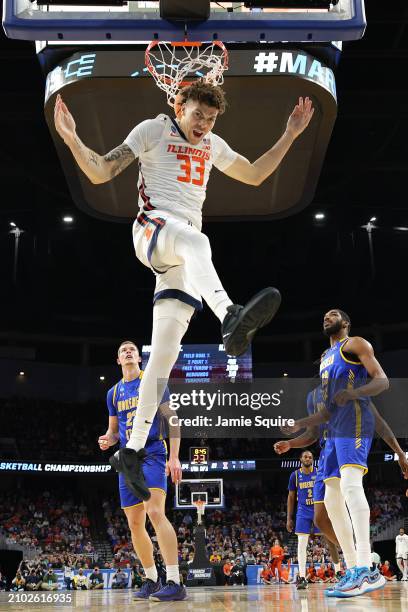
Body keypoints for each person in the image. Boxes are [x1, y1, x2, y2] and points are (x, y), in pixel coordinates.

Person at [54, 82, 314, 500]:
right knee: (198, 242)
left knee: (163, 357)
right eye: (197, 116)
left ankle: (132, 449)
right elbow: (101, 170)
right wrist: (71, 137)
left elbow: (255, 174)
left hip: (178, 259)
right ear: (178, 105)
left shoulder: (213, 143)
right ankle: (230, 315)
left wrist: (290, 134)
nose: (203, 125)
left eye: (211, 119)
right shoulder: (152, 130)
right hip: (153, 230)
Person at [282, 309, 391, 598]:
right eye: (324, 316)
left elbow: (382, 381)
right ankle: (354, 568)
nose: (326, 317)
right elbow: (326, 412)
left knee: (351, 485)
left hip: (354, 419)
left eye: (333, 315)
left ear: (346, 322)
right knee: (330, 502)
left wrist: (356, 393)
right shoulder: (324, 360)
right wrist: (298, 428)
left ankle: (368, 568)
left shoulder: (354, 344)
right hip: (332, 432)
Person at [275, 383, 408, 585]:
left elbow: (378, 421)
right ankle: (358, 562)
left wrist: (399, 452)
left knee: (350, 488)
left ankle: (361, 564)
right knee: (320, 519)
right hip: (326, 451)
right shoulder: (313, 396)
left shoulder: (349, 388)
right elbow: (312, 434)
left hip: (346, 442)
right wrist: (291, 443)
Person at [98, 340, 186, 602]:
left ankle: (175, 581)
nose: (127, 352)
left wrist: (174, 457)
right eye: (123, 351)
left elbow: (173, 420)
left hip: (153, 453)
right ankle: (151, 579)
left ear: (139, 358)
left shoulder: (153, 381)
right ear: (118, 360)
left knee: (155, 511)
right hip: (128, 460)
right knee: (135, 523)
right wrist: (107, 438)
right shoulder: (113, 393)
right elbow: (114, 431)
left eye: (132, 350)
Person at [286, 450, 323, 590]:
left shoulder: (319, 472)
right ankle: (302, 577)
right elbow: (290, 497)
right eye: (306, 456)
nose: (308, 458)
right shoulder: (294, 475)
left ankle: (339, 571)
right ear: (301, 459)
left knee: (329, 540)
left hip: (318, 508)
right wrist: (289, 518)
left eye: (311, 457)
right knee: (302, 544)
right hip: (302, 511)